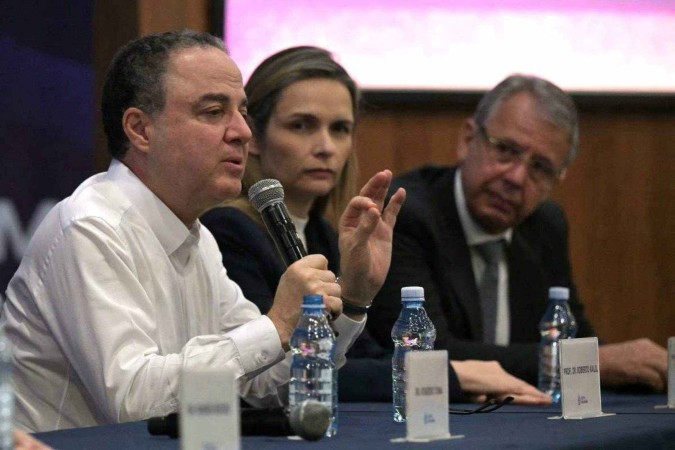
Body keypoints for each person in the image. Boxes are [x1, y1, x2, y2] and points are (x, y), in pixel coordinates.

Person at [1, 30, 405, 432]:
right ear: (140, 129)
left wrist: (353, 298)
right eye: (213, 112)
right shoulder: (90, 228)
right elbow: (134, 404)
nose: (243, 132)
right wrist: (278, 323)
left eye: (242, 112)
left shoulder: (197, 236)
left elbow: (265, 385)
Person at [201, 47, 551, 405]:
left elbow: (367, 356)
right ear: (254, 137)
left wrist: (356, 302)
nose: (325, 147)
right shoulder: (230, 230)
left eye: (340, 129)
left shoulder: (324, 235)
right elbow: (278, 374)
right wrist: (452, 377)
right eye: (301, 125)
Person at [368, 74, 668, 392]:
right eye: (506, 151)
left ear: (557, 179)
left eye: (540, 167)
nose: (516, 177)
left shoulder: (544, 225)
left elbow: (571, 336)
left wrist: (632, 365)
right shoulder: (405, 215)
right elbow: (427, 354)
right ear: (468, 140)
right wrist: (585, 362)